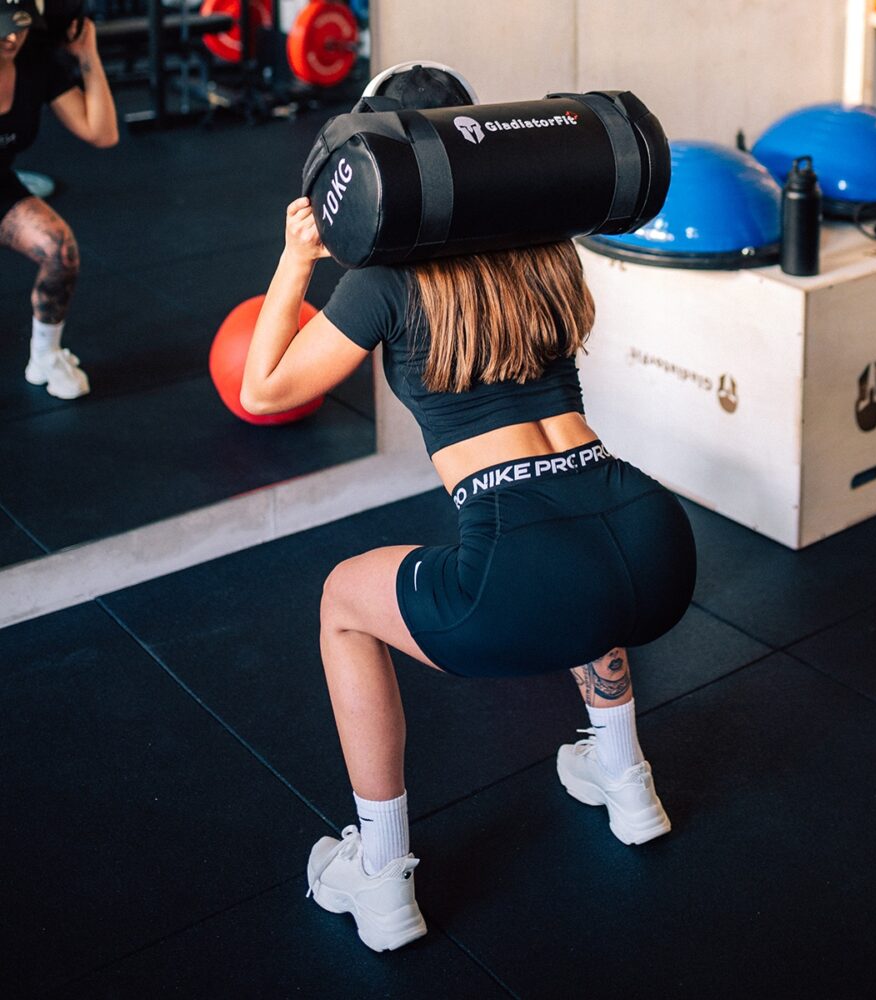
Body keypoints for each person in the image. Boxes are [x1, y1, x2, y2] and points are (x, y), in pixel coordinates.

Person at [241, 71, 696, 954]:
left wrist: (297, 258)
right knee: (573, 549)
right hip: (651, 535)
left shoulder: (383, 280)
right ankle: (624, 778)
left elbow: (263, 390)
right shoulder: (548, 246)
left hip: (526, 573)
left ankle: (379, 876)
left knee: (342, 603)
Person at [0, 2, 118, 400]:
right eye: (1, 28)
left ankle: (45, 356)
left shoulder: (34, 67)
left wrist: (89, 55)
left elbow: (102, 133)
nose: (12, 37)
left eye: (19, 26)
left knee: (59, 249)